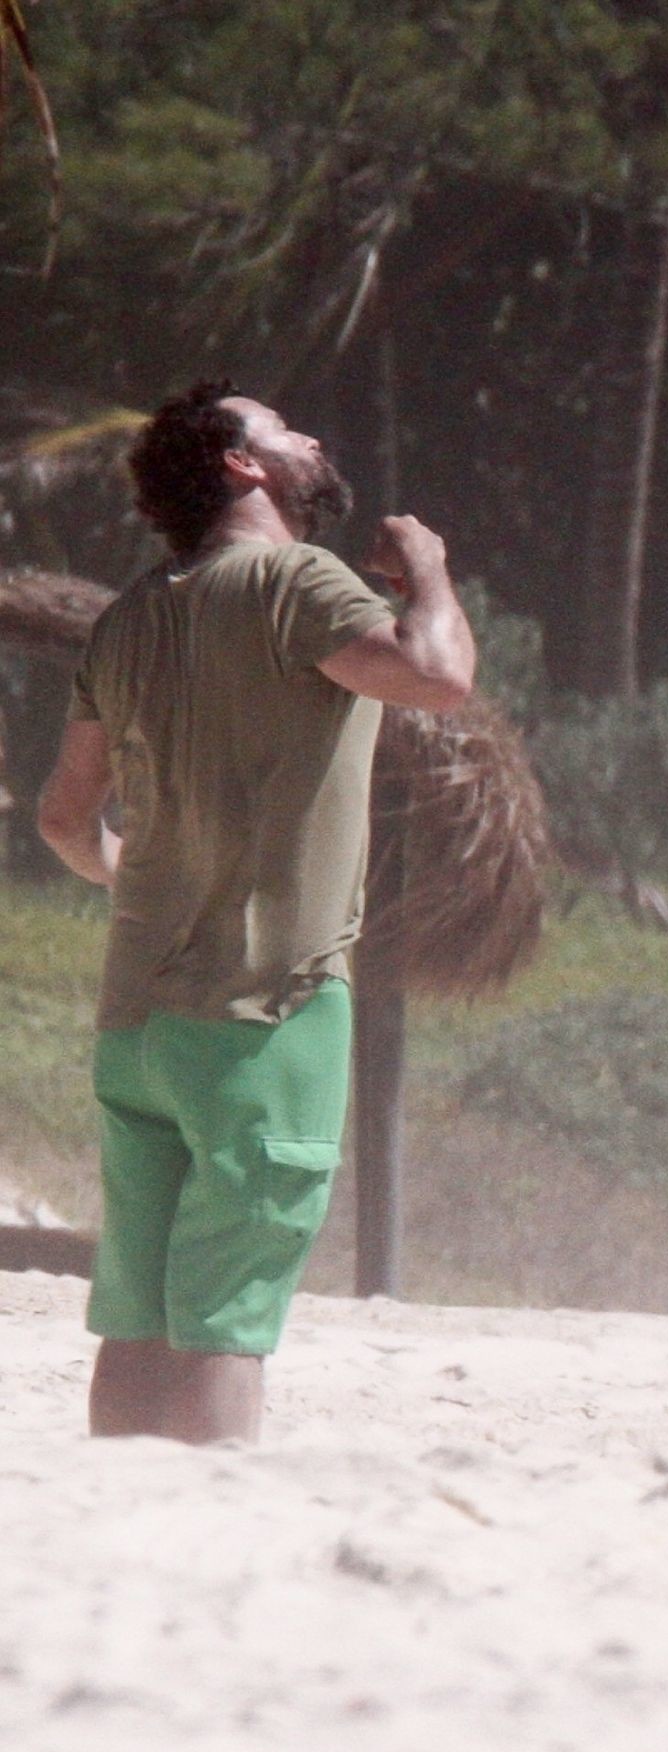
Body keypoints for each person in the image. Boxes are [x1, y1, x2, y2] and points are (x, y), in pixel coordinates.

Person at [37, 380, 475, 1445]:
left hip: (136, 1021)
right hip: (264, 1013)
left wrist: (142, 878)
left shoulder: (128, 617)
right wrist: (427, 569)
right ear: (242, 464)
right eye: (284, 429)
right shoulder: (294, 581)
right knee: (227, 1315)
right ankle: (210, 1509)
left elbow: (62, 820)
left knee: (138, 1316)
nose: (310, 435)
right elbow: (437, 676)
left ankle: (120, 1519)